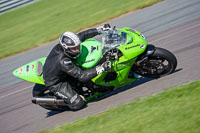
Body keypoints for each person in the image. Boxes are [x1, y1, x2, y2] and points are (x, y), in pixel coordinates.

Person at [42, 24, 112, 111]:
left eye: (78, 47)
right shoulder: (63, 61)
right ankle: (68, 101)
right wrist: (102, 67)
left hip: (62, 71)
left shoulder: (69, 44)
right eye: (74, 49)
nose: (77, 50)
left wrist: (99, 30)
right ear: (66, 48)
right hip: (57, 83)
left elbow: (82, 35)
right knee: (79, 103)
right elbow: (82, 76)